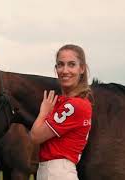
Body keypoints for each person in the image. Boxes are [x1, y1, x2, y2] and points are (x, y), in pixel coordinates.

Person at [30, 44, 93, 180]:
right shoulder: (65, 101)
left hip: (57, 172)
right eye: (60, 65)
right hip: (52, 171)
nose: (65, 70)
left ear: (81, 68)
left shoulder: (76, 105)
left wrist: (43, 112)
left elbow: (35, 136)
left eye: (71, 65)